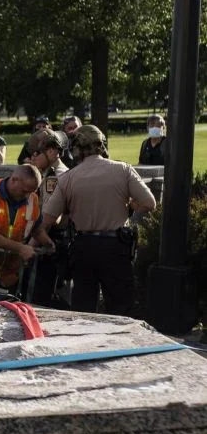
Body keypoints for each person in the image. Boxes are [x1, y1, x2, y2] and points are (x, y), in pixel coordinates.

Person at [43, 125, 156, 316]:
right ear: (102, 145)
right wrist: (129, 206)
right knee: (120, 308)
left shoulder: (68, 178)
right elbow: (149, 203)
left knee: (84, 309)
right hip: (116, 247)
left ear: (75, 149)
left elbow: (48, 219)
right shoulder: (123, 169)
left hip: (83, 246)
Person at [25, 129, 71, 306]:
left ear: (52, 152)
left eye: (37, 153)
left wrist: (29, 247)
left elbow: (50, 217)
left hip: (50, 242)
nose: (33, 157)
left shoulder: (55, 176)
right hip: (45, 239)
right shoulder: (47, 173)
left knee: (44, 298)